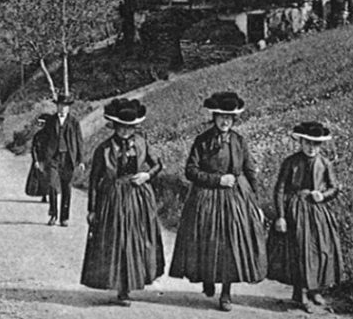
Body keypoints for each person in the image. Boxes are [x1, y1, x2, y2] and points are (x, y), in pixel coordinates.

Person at [169, 91, 267, 312]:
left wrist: (255, 204)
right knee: (207, 240)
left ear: (234, 120)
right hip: (206, 198)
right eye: (221, 116)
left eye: (229, 118)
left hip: (236, 198)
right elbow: (190, 171)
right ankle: (208, 278)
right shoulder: (202, 140)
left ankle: (226, 294)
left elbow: (250, 172)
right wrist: (217, 180)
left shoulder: (239, 141)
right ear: (214, 117)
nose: (225, 121)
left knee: (231, 245)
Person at [81, 98, 164, 306]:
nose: (125, 132)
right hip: (113, 198)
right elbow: (94, 180)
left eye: (129, 128)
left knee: (136, 241)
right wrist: (92, 209)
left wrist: (146, 175)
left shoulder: (142, 142)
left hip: (138, 198)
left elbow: (157, 165)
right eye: (121, 127)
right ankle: (119, 286)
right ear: (114, 126)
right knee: (117, 241)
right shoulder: (104, 149)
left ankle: (129, 285)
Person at [268, 121, 344, 312]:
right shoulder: (291, 162)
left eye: (315, 144)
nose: (311, 148)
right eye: (307, 143)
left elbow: (335, 187)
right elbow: (280, 189)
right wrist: (281, 216)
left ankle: (315, 289)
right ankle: (300, 294)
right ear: (300, 142)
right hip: (296, 210)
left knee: (321, 249)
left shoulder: (325, 163)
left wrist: (323, 195)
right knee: (299, 251)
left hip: (317, 212)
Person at [36, 93, 84, 227]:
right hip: (53, 158)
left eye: (65, 106)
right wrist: (41, 159)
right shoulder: (50, 121)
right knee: (52, 186)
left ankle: (64, 217)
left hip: (68, 159)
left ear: (69, 108)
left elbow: (79, 141)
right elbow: (43, 140)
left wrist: (80, 160)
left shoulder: (74, 122)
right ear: (57, 106)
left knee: (66, 189)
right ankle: (53, 215)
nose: (62, 108)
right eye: (60, 105)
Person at [25, 114, 50, 203]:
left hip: (49, 160)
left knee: (50, 178)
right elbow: (34, 148)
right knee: (41, 178)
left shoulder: (53, 135)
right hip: (40, 159)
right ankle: (43, 195)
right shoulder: (38, 135)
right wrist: (35, 160)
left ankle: (51, 196)